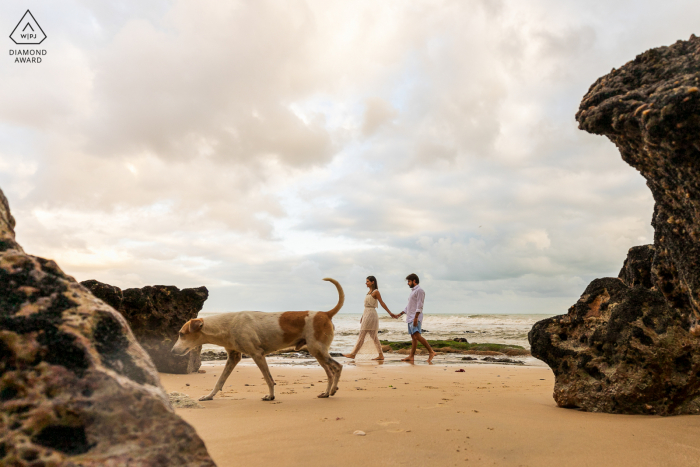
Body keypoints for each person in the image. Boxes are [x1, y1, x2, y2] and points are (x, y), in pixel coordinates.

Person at [343, 276, 396, 361]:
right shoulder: (368, 292)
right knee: (373, 336)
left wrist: (390, 313)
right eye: (366, 281)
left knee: (362, 334)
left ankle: (353, 354)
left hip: (371, 315)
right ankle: (380, 355)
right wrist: (362, 317)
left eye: (367, 281)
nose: (366, 283)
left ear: (372, 282)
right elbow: (366, 307)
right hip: (366, 314)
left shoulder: (376, 292)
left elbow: (382, 303)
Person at [397, 273, 436, 363]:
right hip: (410, 317)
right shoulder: (413, 292)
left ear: (414, 281)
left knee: (417, 336)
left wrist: (416, 317)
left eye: (409, 281)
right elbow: (409, 306)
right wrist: (400, 313)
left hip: (415, 317)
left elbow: (420, 305)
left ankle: (431, 351)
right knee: (413, 337)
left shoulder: (420, 291)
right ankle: (411, 356)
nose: (408, 283)